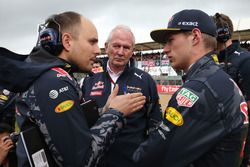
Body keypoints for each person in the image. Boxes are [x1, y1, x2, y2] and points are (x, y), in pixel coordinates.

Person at [0, 11, 146, 167]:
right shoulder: (53, 82)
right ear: (67, 41)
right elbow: (82, 161)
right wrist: (116, 114)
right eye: (92, 42)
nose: (97, 50)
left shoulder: (49, 74)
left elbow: (68, 127)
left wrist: (104, 112)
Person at [133, 9, 248, 167]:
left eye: (170, 40)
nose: (165, 49)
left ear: (195, 37)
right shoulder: (218, 77)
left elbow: (151, 158)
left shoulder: (198, 88)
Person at [82, 25, 162, 167]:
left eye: (126, 47)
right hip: (96, 161)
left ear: (132, 51)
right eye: (116, 46)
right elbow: (82, 122)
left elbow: (155, 124)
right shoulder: (89, 79)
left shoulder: (145, 80)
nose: (120, 52)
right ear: (106, 47)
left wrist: (147, 155)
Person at [213, 13, 250, 167]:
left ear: (222, 34)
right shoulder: (213, 60)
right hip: (216, 138)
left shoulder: (245, 60)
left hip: (237, 142)